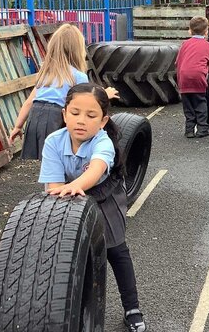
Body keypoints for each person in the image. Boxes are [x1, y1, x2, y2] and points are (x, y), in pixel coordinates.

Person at [39, 83, 146, 332]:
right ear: (64, 113)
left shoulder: (103, 142)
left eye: (91, 116)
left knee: (116, 251)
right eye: (75, 113)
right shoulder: (54, 142)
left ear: (102, 120)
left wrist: (76, 186)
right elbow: (54, 185)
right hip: (69, 196)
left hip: (104, 193)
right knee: (68, 253)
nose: (81, 121)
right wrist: (66, 193)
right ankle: (63, 307)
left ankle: (132, 307)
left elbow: (96, 169)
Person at [9, 24, 119, 159]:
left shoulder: (46, 73)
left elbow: (29, 102)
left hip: (35, 116)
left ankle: (51, 179)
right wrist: (105, 94)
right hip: (56, 118)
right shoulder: (78, 76)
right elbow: (88, 100)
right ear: (77, 50)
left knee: (47, 158)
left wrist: (18, 126)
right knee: (61, 157)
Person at [176, 16, 209, 138]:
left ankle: (189, 130)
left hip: (183, 78)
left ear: (190, 30)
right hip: (198, 77)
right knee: (200, 103)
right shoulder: (207, 45)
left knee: (188, 105)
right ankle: (202, 128)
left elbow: (177, 62)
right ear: (206, 32)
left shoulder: (184, 44)